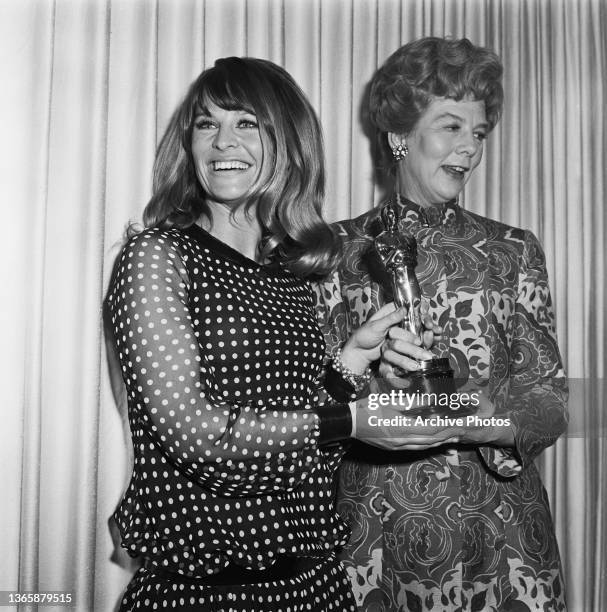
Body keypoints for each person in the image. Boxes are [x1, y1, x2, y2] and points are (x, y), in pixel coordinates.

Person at [107, 56, 432, 612]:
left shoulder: (286, 274)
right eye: (206, 124)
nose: (220, 141)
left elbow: (308, 453)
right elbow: (197, 435)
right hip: (206, 592)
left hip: (316, 586)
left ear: (287, 141)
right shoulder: (157, 257)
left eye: (246, 123)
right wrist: (353, 419)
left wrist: (352, 360)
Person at [315, 37, 568, 611]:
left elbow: (551, 401)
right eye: (450, 127)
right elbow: (315, 404)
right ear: (399, 136)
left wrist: (481, 420)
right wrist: (376, 382)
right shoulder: (333, 252)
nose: (470, 148)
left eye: (478, 133)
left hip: (504, 543)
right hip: (375, 539)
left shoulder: (513, 250)